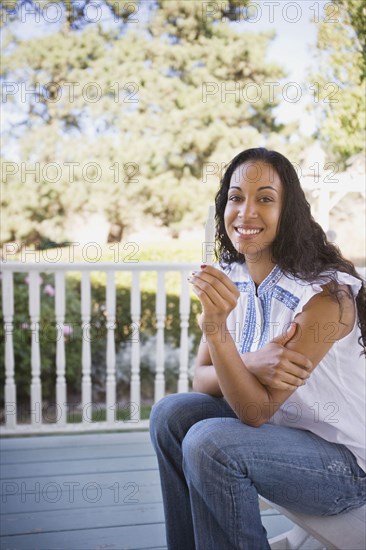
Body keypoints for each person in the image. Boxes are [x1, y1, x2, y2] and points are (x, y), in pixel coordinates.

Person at [149, 147, 366, 550]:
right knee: (171, 413)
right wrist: (252, 360)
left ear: (289, 213)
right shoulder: (232, 275)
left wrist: (218, 332)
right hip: (283, 437)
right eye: (236, 197)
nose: (246, 212)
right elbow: (200, 381)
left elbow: (254, 411)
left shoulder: (324, 296)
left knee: (211, 443)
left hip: (345, 468)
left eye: (265, 199)